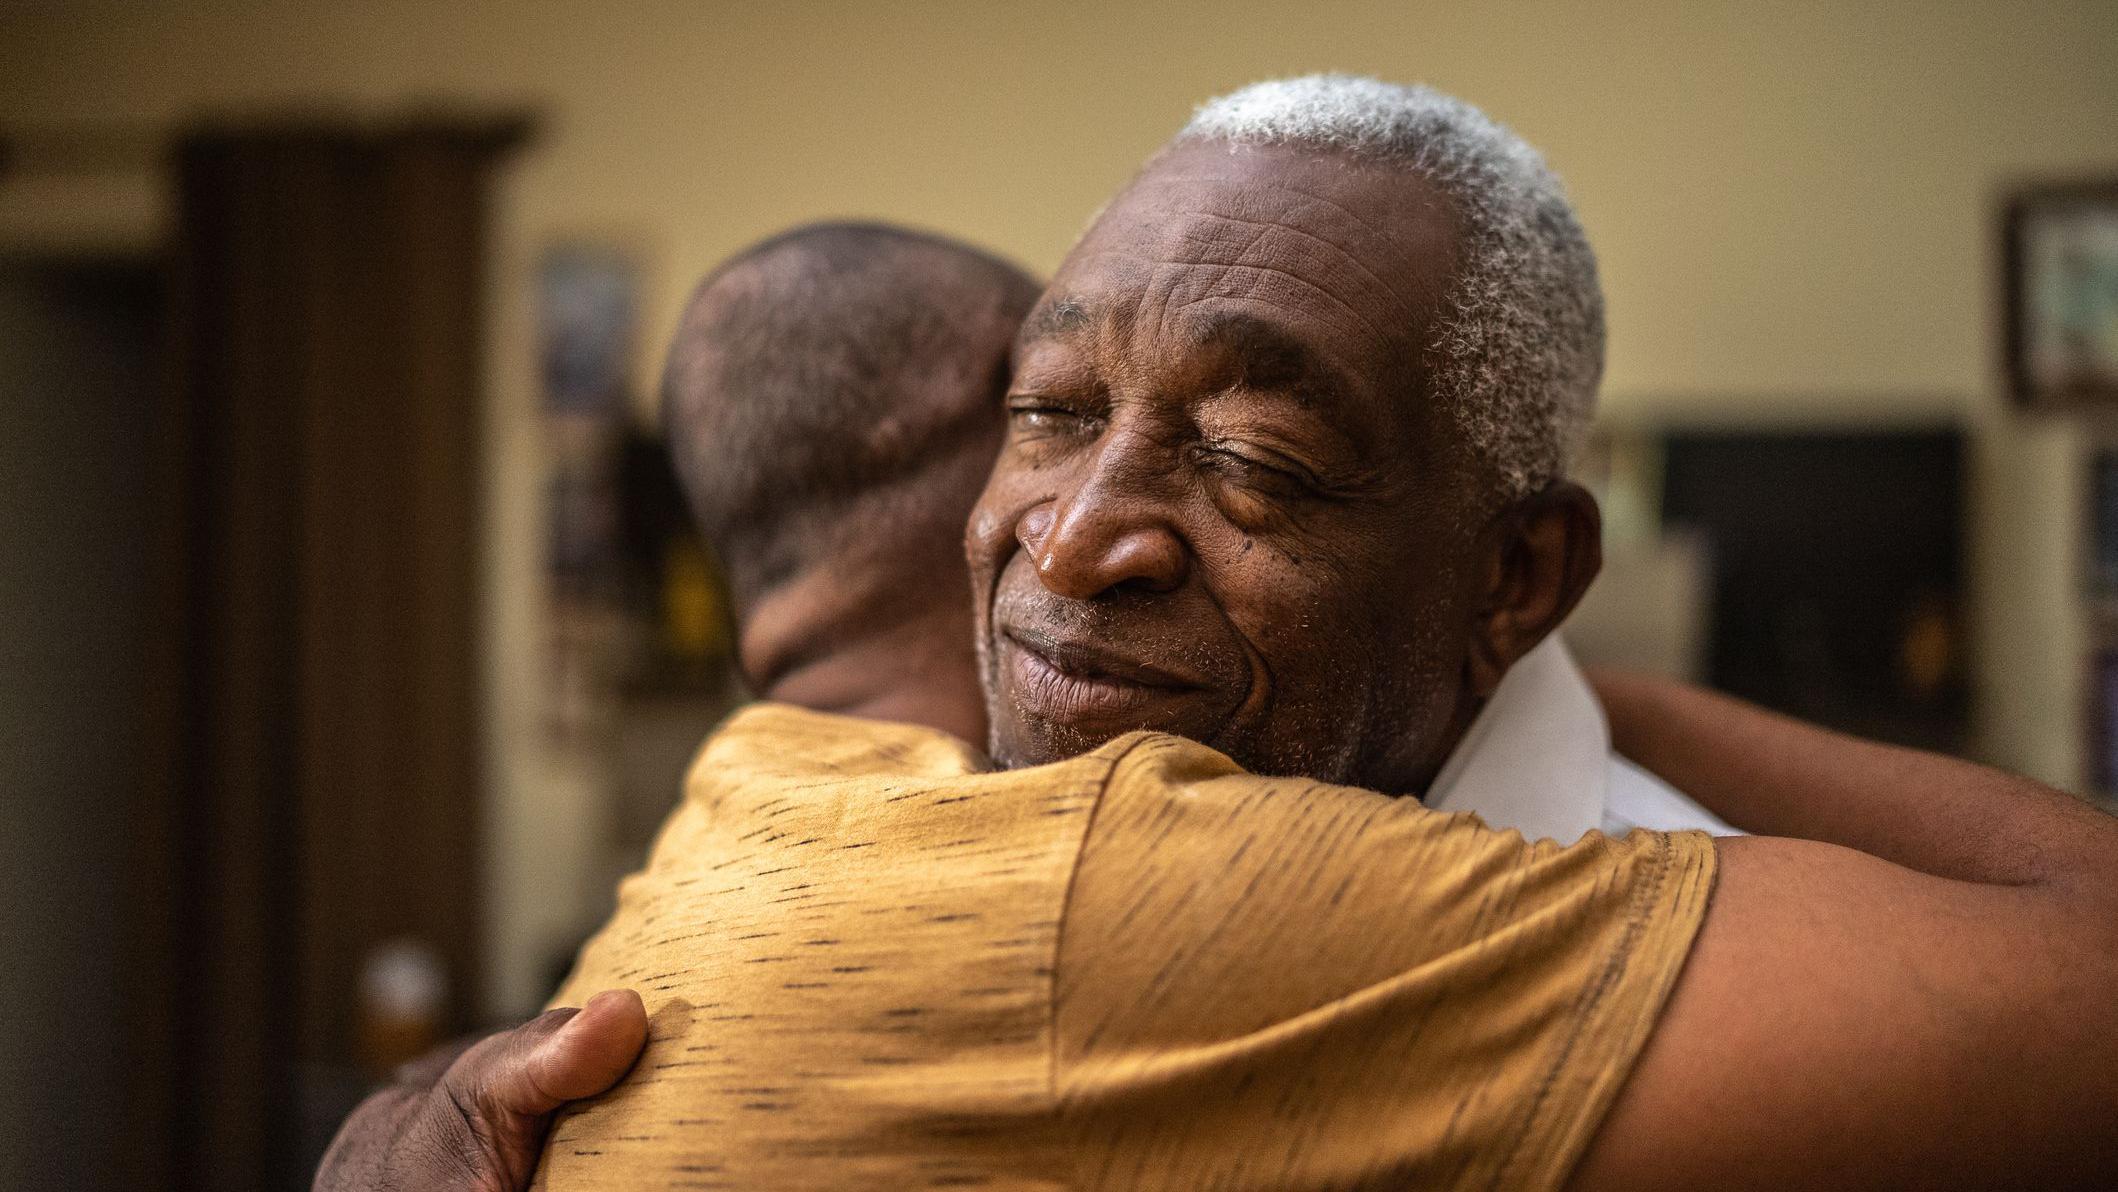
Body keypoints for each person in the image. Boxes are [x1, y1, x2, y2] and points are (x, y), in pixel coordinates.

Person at [323, 77, 2118, 1190]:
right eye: (1042, 412)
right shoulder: (908, 824)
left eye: (1254, 457)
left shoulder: (1730, 972)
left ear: (1516, 577)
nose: (1080, 538)